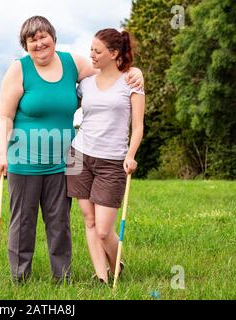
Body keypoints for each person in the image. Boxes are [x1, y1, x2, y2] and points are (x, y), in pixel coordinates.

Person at [0, 16, 144, 283]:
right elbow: (5, 117)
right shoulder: (19, 69)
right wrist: (1, 155)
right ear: (25, 45)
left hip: (64, 160)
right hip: (23, 160)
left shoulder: (72, 63)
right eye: (32, 40)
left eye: (44, 37)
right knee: (23, 223)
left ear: (53, 37)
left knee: (59, 223)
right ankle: (20, 278)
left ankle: (62, 277)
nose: (40, 43)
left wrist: (134, 72)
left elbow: (108, 70)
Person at [66, 28, 145, 284]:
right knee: (88, 221)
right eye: (91, 49)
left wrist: (131, 155)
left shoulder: (131, 82)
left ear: (114, 53)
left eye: (97, 51)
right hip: (79, 156)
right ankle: (101, 277)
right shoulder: (85, 84)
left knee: (103, 230)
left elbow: (138, 126)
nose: (92, 55)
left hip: (112, 161)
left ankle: (116, 266)